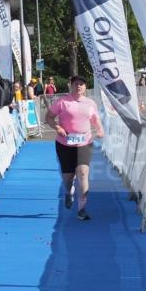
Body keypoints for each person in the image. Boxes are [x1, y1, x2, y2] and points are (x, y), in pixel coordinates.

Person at [44, 75, 103, 221]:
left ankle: (82, 209)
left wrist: (100, 130)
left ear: (85, 87)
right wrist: (57, 127)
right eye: (76, 84)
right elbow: (49, 117)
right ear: (71, 85)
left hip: (85, 142)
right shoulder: (62, 101)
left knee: (83, 172)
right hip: (65, 143)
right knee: (68, 177)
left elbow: (95, 119)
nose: (79, 87)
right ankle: (69, 191)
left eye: (82, 84)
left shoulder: (90, 103)